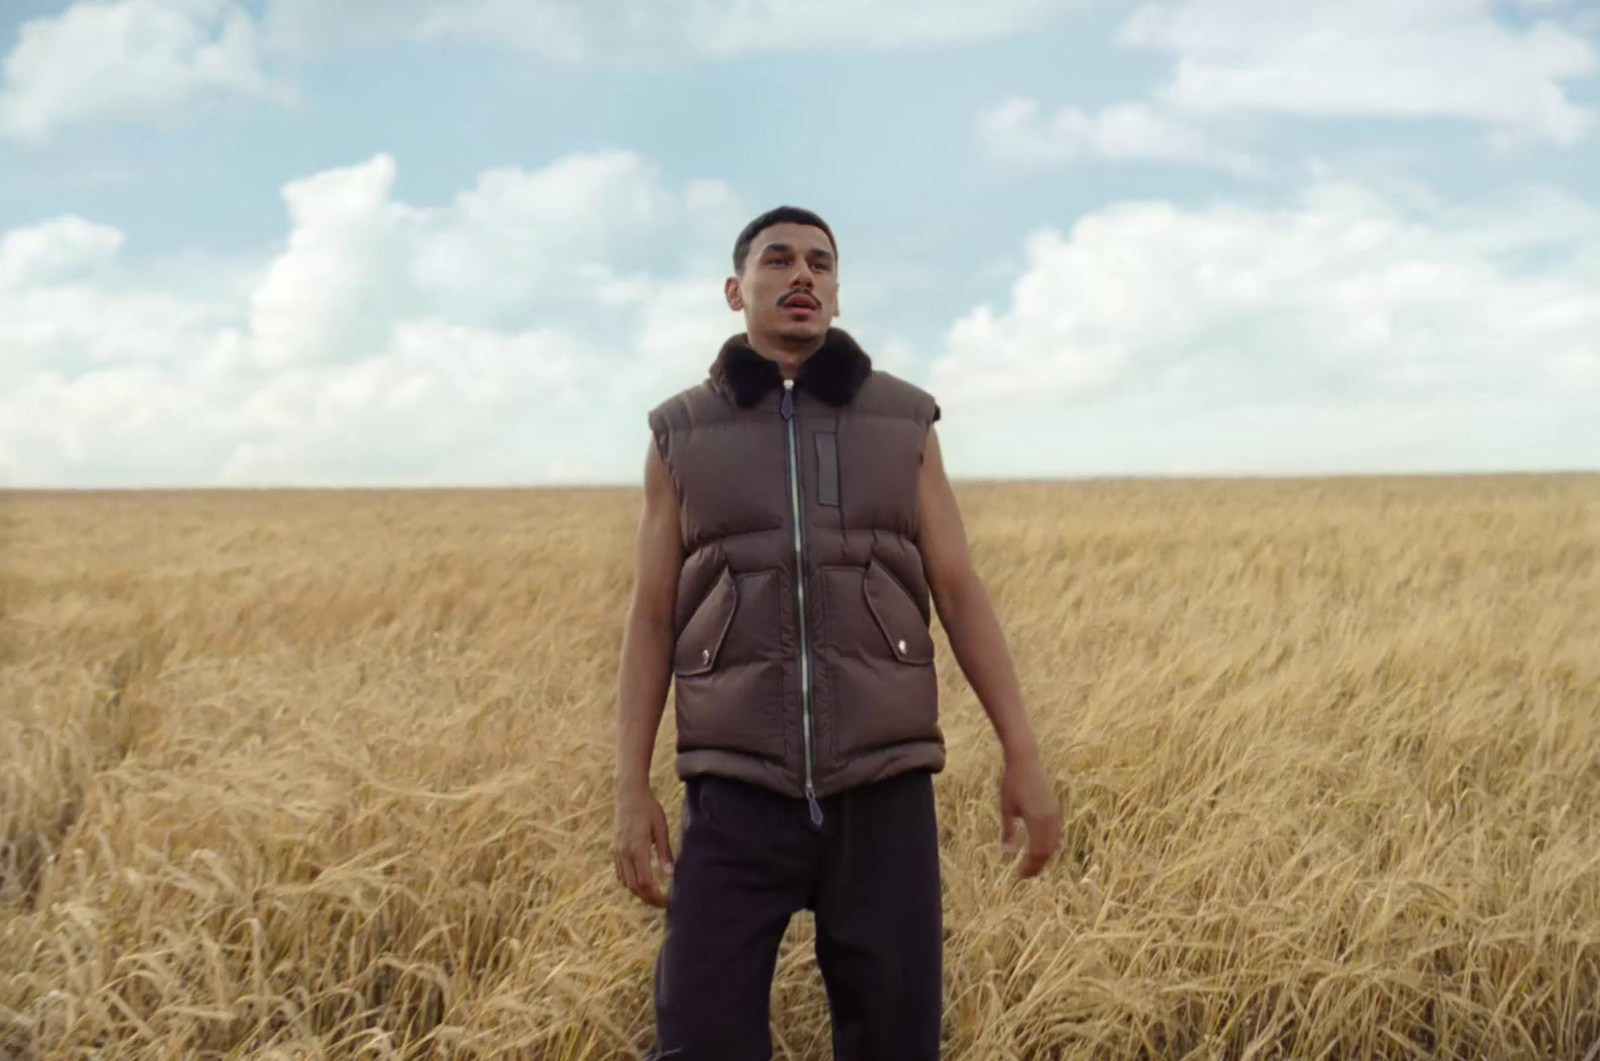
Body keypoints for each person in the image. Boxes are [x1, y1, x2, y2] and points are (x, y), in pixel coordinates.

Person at [612, 206, 1062, 1060]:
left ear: (839, 290)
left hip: (883, 791)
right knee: (699, 1037)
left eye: (820, 262)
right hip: (733, 792)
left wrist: (1024, 753)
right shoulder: (679, 433)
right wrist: (631, 786)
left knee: (895, 1042)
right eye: (778, 260)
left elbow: (959, 589)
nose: (802, 275)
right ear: (734, 290)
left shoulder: (903, 422)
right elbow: (652, 614)